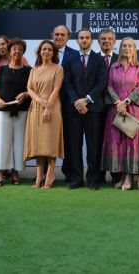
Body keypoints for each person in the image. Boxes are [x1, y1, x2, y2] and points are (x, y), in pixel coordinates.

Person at [62, 28, 108, 190]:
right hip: (73, 109)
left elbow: (102, 82)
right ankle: (76, 178)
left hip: (93, 109)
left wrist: (86, 100)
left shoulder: (99, 60)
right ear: (77, 40)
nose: (84, 40)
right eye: (81, 38)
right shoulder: (69, 58)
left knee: (93, 146)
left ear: (92, 40)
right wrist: (76, 101)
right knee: (74, 146)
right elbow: (66, 82)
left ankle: (93, 179)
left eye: (87, 38)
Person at [102, 37, 139, 190]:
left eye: (130, 46)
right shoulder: (113, 67)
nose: (127, 48)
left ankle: (129, 177)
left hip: (133, 111)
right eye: (124, 46)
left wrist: (125, 102)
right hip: (116, 111)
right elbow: (109, 87)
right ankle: (121, 176)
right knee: (118, 144)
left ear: (135, 49)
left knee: (130, 145)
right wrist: (118, 103)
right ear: (120, 48)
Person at [24, 40, 64, 189]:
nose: (46, 52)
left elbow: (56, 89)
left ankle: (50, 174)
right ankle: (39, 174)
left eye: (49, 50)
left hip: (52, 108)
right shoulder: (33, 70)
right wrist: (40, 100)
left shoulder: (58, 69)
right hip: (35, 107)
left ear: (53, 53)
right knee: (38, 144)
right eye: (44, 49)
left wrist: (48, 107)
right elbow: (29, 89)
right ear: (39, 52)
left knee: (49, 143)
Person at [0, 38, 31, 187]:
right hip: (2, 110)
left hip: (21, 111)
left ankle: (15, 172)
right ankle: (0, 173)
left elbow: (32, 89)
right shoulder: (2, 69)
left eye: (20, 49)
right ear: (9, 51)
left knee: (19, 143)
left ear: (23, 52)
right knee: (1, 143)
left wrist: (26, 94)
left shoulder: (29, 70)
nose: (17, 52)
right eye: (14, 49)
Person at [52, 25, 80, 181]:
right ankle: (47, 172)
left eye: (62, 35)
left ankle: (69, 171)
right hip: (49, 104)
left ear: (68, 37)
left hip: (69, 104)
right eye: (56, 34)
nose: (59, 37)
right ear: (52, 35)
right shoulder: (45, 53)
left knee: (70, 139)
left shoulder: (75, 55)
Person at [98, 28, 119, 185]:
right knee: (98, 142)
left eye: (109, 39)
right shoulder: (93, 59)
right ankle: (99, 175)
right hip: (97, 108)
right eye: (103, 39)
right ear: (99, 42)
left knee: (115, 142)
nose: (106, 41)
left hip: (116, 108)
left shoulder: (120, 59)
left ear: (114, 42)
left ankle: (116, 175)